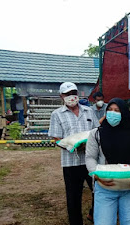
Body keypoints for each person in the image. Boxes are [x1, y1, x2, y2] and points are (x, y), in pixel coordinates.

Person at [86, 98, 130, 225]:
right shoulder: (97, 134)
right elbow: (90, 157)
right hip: (105, 187)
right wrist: (96, 174)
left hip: (129, 188)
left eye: (117, 110)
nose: (112, 113)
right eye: (109, 110)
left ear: (124, 113)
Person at [48, 82, 100, 225]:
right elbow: (56, 139)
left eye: (73, 93)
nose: (71, 96)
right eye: (67, 94)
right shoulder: (57, 114)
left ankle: (95, 215)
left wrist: (91, 145)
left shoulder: (88, 111)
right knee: (73, 197)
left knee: (99, 192)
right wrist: (73, 146)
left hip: (92, 160)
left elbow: (97, 131)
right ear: (61, 96)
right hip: (71, 162)